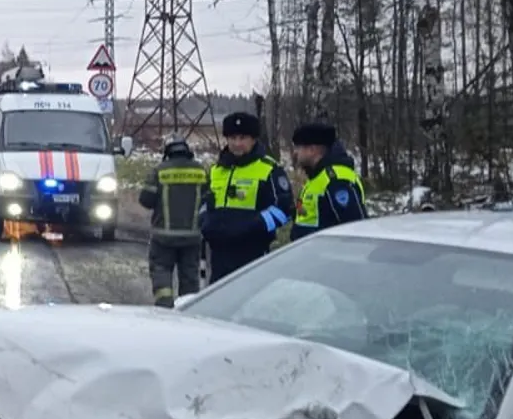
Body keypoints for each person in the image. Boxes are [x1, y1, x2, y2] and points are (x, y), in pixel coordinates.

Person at [202, 112, 293, 282]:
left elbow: (284, 210)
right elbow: (203, 202)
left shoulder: (269, 169)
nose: (237, 143)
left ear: (253, 139)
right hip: (219, 256)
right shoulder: (216, 170)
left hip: (253, 255)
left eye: (243, 138)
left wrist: (251, 225)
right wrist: (204, 221)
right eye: (232, 138)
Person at [138, 135, 207, 307]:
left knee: (161, 272)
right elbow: (209, 200)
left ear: (168, 152)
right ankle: (187, 311)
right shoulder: (201, 172)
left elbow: (146, 200)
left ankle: (164, 307)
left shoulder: (160, 171)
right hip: (192, 237)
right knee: (190, 277)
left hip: (163, 238)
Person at [289, 122, 367, 240]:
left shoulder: (337, 180)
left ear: (312, 150)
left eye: (298, 147)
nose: (295, 153)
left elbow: (355, 227)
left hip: (329, 255)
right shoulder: (316, 178)